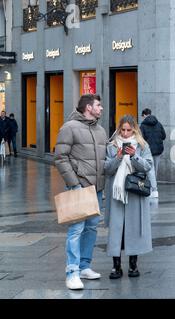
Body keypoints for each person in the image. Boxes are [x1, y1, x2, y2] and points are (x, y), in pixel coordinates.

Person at [54, 94, 108, 290]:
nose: (101, 108)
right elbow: (60, 157)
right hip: (80, 185)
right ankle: (72, 272)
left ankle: (85, 266)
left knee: (92, 227)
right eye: (98, 105)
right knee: (76, 229)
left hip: (97, 188)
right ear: (88, 107)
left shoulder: (100, 130)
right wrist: (74, 183)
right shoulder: (69, 127)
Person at [104, 115, 153, 279]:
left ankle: (133, 265)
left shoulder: (142, 145)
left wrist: (134, 156)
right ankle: (116, 266)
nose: (125, 134)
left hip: (134, 192)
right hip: (116, 193)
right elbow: (107, 169)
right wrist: (118, 157)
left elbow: (147, 166)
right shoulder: (111, 146)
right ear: (119, 129)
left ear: (134, 129)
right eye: (122, 130)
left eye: (128, 130)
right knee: (116, 229)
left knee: (134, 227)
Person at [140, 108, 166, 199]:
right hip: (158, 150)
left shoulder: (142, 126)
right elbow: (164, 136)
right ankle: (154, 189)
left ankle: (151, 189)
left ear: (144, 115)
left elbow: (141, 139)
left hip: (148, 151)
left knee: (149, 170)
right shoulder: (158, 124)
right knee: (155, 170)